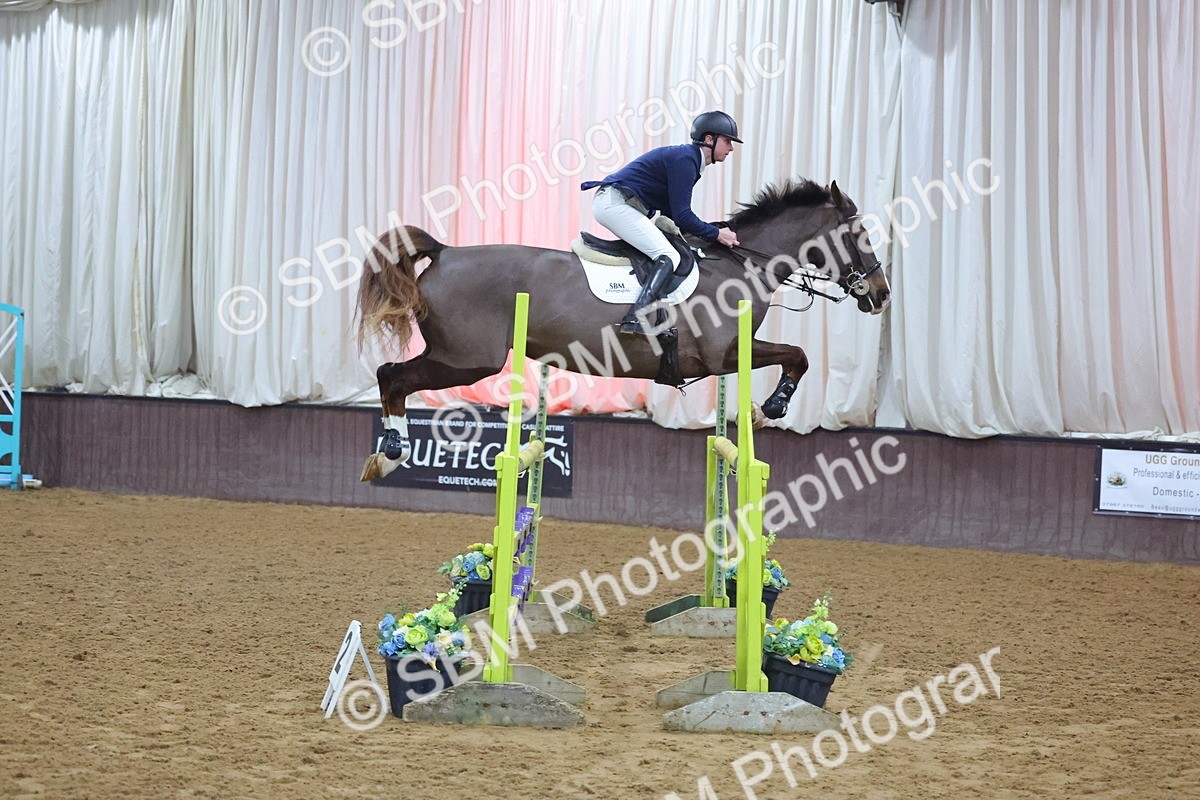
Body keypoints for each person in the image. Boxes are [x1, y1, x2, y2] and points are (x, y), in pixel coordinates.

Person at [581, 110, 742, 334]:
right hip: (614, 204)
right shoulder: (686, 160)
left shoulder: (690, 161)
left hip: (617, 203)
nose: (731, 148)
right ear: (709, 139)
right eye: (727, 141)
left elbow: (673, 216)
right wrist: (716, 234)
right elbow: (683, 216)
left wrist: (710, 232)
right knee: (669, 255)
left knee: (671, 249)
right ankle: (635, 318)